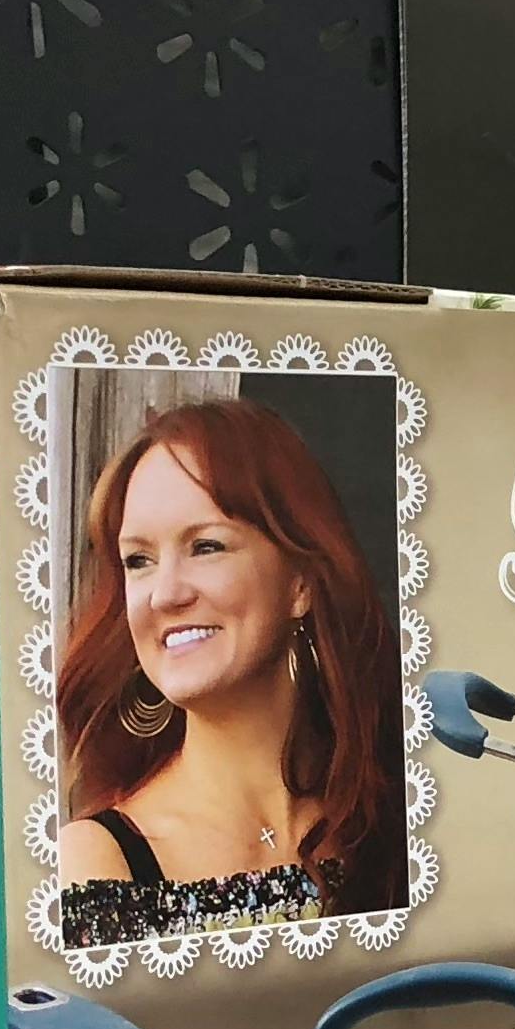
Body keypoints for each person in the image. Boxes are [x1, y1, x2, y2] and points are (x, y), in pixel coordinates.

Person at [58, 397, 405, 943]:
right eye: (139, 561)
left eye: (206, 547)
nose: (165, 594)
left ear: (301, 583)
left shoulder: (395, 824)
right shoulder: (98, 861)